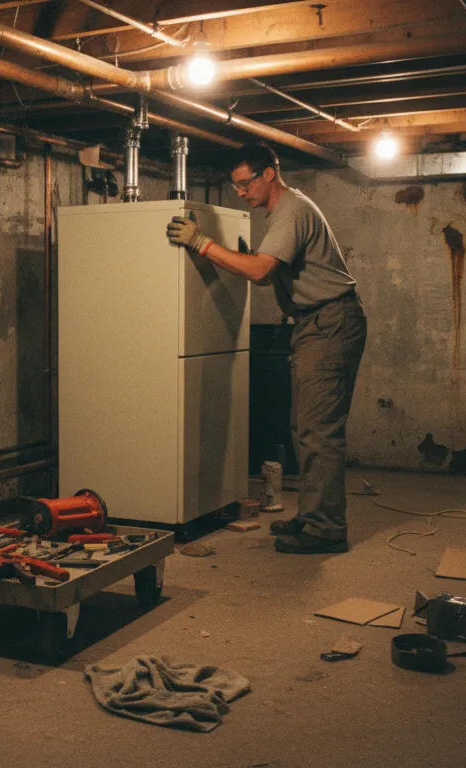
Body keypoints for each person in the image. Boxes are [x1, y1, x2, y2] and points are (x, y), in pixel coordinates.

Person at [166, 142, 366, 555]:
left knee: (319, 433)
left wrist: (202, 243)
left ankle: (326, 529)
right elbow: (261, 275)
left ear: (268, 174)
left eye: (244, 184)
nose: (240, 193)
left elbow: (259, 269)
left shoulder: (291, 210)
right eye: (236, 185)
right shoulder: (284, 212)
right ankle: (313, 515)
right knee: (304, 428)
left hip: (328, 322)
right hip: (316, 324)